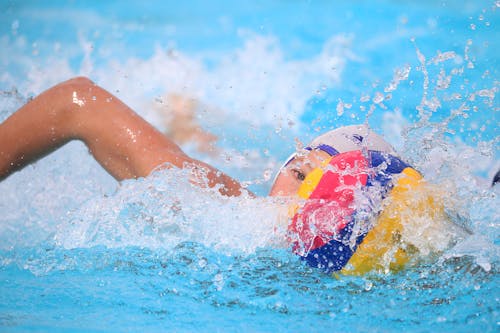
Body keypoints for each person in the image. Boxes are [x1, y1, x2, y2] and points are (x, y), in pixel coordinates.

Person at [0, 76, 461, 275]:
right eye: (300, 175)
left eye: (319, 189)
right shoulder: (216, 206)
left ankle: (192, 122)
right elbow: (77, 102)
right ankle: (188, 119)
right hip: (219, 170)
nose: (305, 205)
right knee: (199, 152)